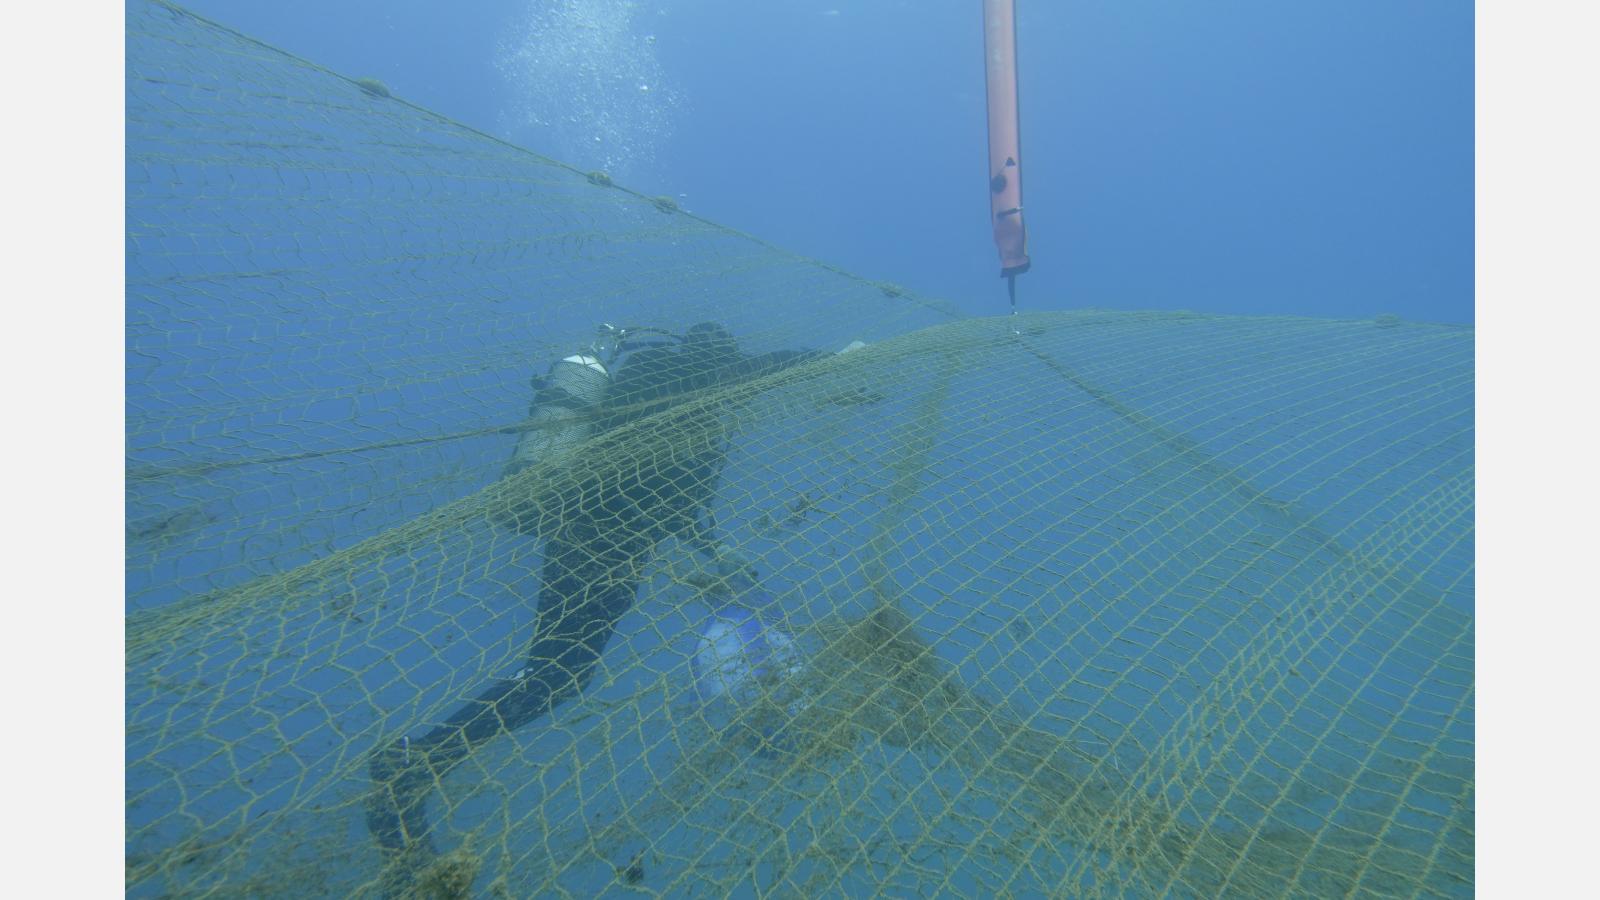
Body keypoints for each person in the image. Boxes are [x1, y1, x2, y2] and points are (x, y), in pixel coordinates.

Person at [365, 322, 824, 887]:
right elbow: (764, 372)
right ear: (717, 351)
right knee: (561, 674)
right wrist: (843, 359)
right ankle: (417, 761)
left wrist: (710, 547)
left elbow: (661, 485)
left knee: (554, 672)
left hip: (580, 529)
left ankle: (421, 761)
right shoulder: (702, 374)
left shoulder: (648, 377)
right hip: (615, 542)